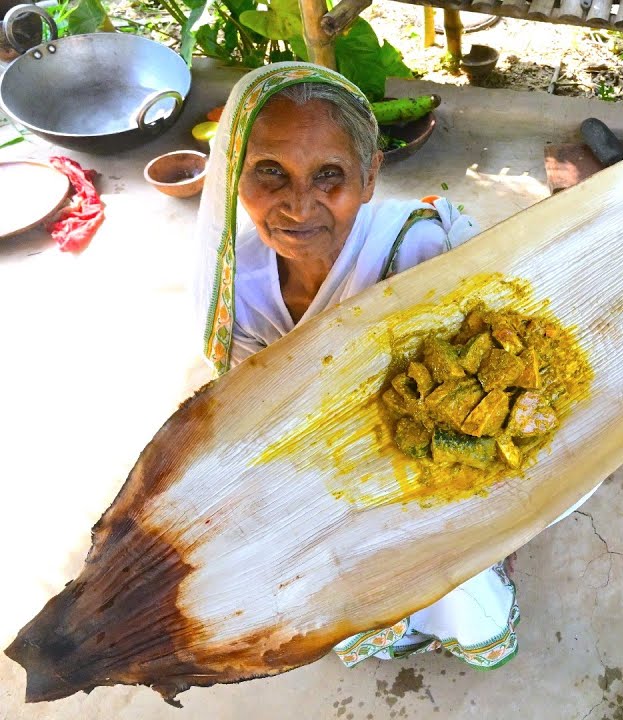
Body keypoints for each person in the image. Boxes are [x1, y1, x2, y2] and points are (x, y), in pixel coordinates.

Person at [195, 62, 521, 670]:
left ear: (369, 177)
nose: (298, 203)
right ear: (232, 170)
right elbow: (249, 399)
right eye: (270, 171)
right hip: (318, 467)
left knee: (436, 563)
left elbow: (485, 394)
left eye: (329, 175)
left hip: (421, 473)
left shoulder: (426, 254)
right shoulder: (233, 279)